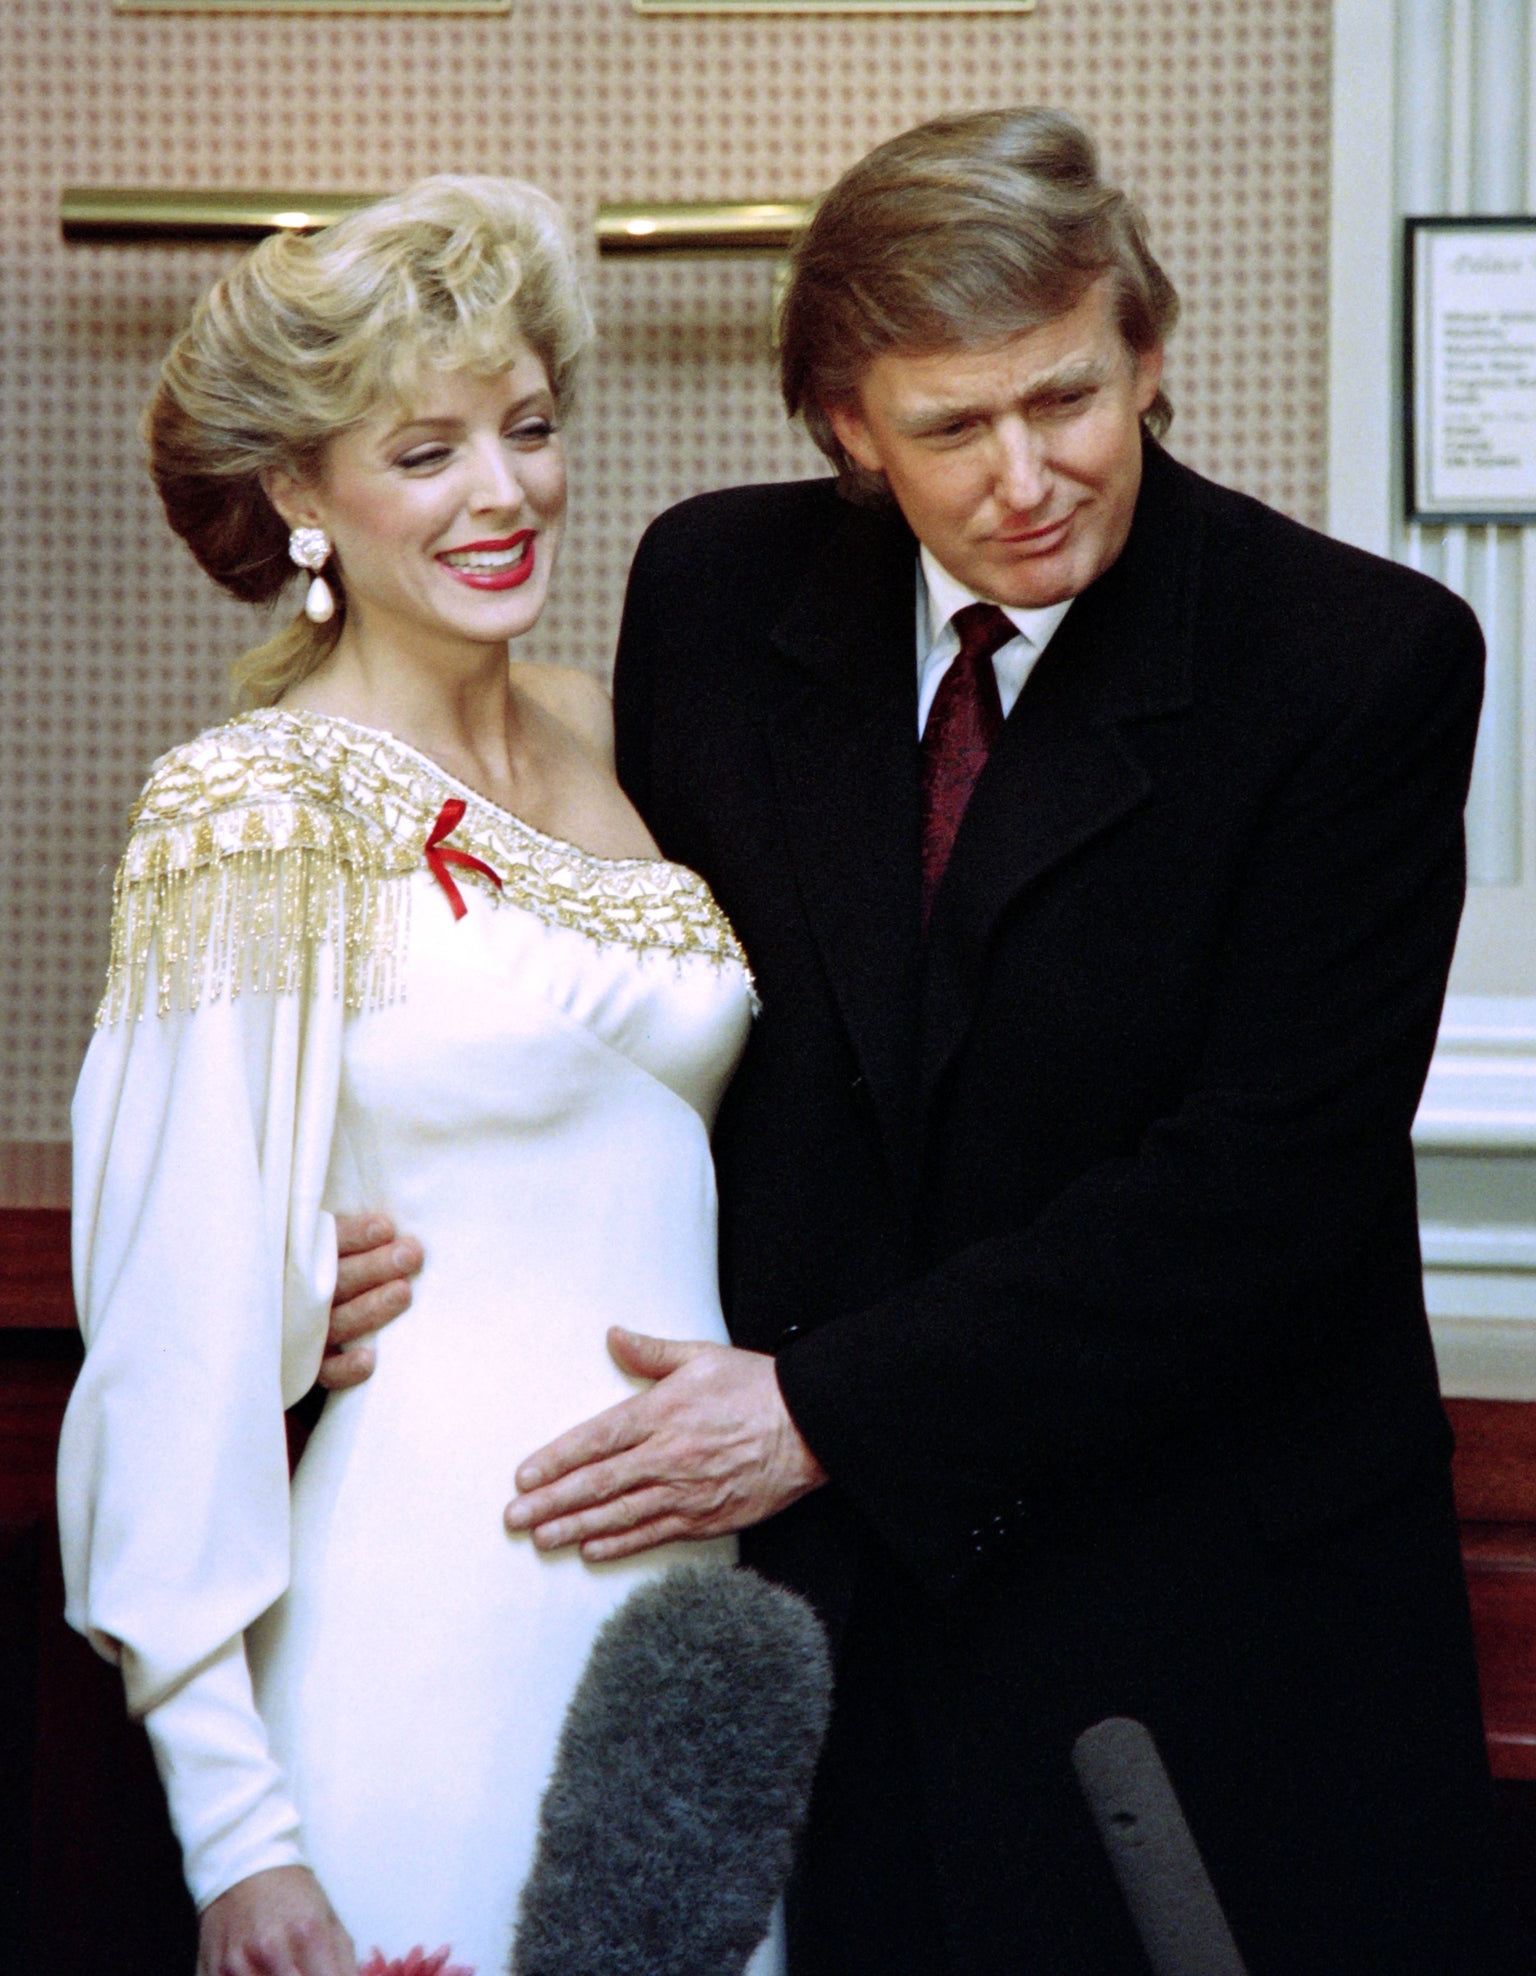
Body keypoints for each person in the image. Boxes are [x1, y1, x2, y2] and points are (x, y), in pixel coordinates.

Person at [329, 111, 1516, 1975]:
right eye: (953, 428)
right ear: (846, 430)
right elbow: (612, 1000)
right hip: (817, 1635)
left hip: (1194, 1611)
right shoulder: (714, 594)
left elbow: (1260, 1188)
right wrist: (331, 1231)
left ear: (1147, 353)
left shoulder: (1359, 660)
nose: (1028, 477)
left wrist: (823, 1412)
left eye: (1070, 401)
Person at [57, 175, 773, 1976]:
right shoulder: (251, 804)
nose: (502, 490)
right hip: (419, 1602)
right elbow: (165, 1326)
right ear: (300, 489)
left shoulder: (622, 728)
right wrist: (236, 1832)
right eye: (424, 448)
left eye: (525, 428)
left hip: (690, 1608)